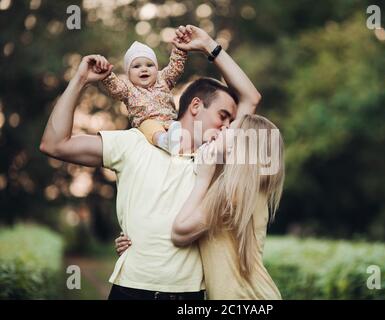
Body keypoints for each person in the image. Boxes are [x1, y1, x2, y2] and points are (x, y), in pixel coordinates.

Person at [39, 25, 261, 300]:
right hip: (131, 289)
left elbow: (251, 98)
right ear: (195, 107)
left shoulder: (215, 157)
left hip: (187, 295)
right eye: (223, 116)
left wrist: (208, 45)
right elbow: (54, 144)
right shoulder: (133, 143)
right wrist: (81, 79)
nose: (229, 127)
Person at [117, 113, 285, 299]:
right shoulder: (247, 188)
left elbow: (180, 232)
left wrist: (203, 179)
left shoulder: (234, 194)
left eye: (229, 129)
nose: (222, 128)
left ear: (240, 145)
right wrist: (141, 243)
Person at [98, 40, 186, 155]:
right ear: (128, 74)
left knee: (182, 127)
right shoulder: (128, 88)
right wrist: (106, 75)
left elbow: (175, 68)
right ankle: (164, 141)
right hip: (146, 127)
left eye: (149, 65)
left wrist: (180, 49)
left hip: (169, 122)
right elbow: (115, 88)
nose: (144, 69)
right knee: (149, 125)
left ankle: (182, 146)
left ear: (157, 68)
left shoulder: (163, 79)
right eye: (136, 66)